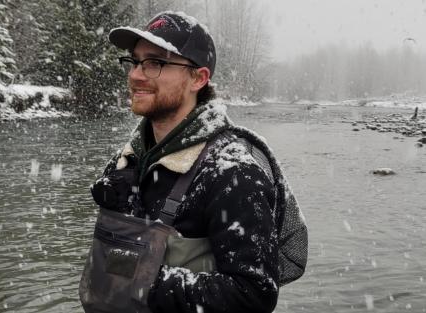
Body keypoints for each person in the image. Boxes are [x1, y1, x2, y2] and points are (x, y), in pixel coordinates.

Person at [80, 11, 307, 313]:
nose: (135, 75)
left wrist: (141, 281)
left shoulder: (232, 170)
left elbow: (254, 294)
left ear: (198, 78)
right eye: (134, 61)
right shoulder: (131, 158)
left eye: (155, 63)